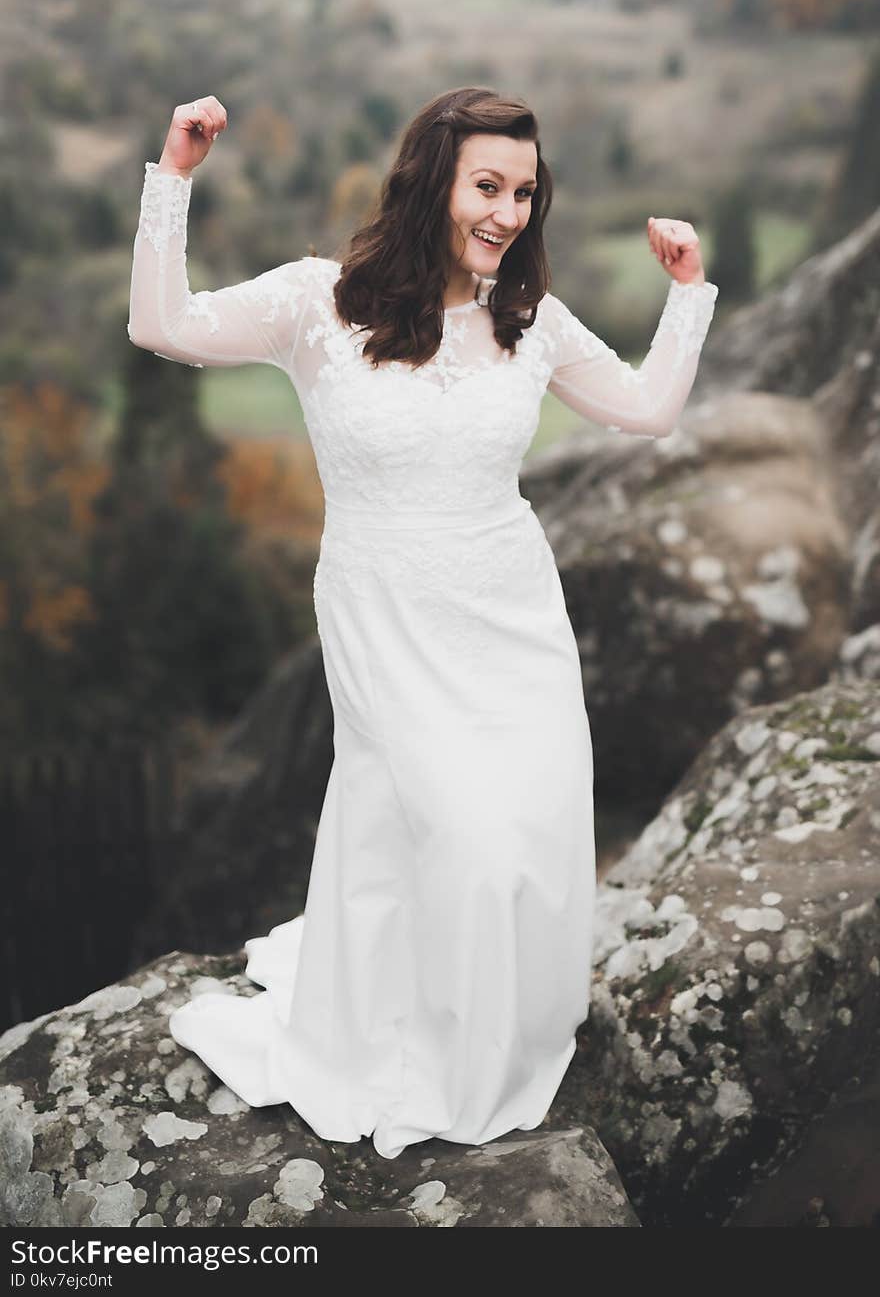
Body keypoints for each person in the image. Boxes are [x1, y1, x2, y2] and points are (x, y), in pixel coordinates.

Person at [128, 85, 719, 1160]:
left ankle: (496, 1039)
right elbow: (159, 324)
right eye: (486, 185)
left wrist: (686, 293)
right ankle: (401, 1039)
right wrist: (173, 175)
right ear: (430, 181)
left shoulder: (529, 321)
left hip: (510, 614)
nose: (506, 211)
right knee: (453, 832)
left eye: (524, 192)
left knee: (520, 846)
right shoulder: (320, 303)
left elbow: (648, 409)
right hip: (383, 613)